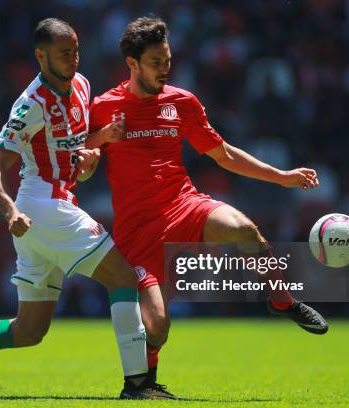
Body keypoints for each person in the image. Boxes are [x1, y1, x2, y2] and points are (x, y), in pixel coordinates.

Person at [0, 18, 173, 400]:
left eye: (75, 51)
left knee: (28, 331)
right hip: (42, 205)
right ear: (41, 56)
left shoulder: (83, 85)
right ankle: (138, 385)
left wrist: (97, 145)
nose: (72, 60)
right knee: (123, 279)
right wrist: (9, 212)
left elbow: (76, 153)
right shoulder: (30, 103)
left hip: (52, 207)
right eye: (63, 54)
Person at [87, 16, 329, 397]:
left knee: (245, 231)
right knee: (158, 327)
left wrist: (282, 176)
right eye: (155, 62)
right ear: (132, 64)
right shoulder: (103, 108)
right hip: (138, 231)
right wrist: (95, 146)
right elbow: (80, 156)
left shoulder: (181, 102)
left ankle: (282, 301)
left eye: (167, 59)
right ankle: (142, 385)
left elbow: (225, 154)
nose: (164, 68)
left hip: (185, 204)